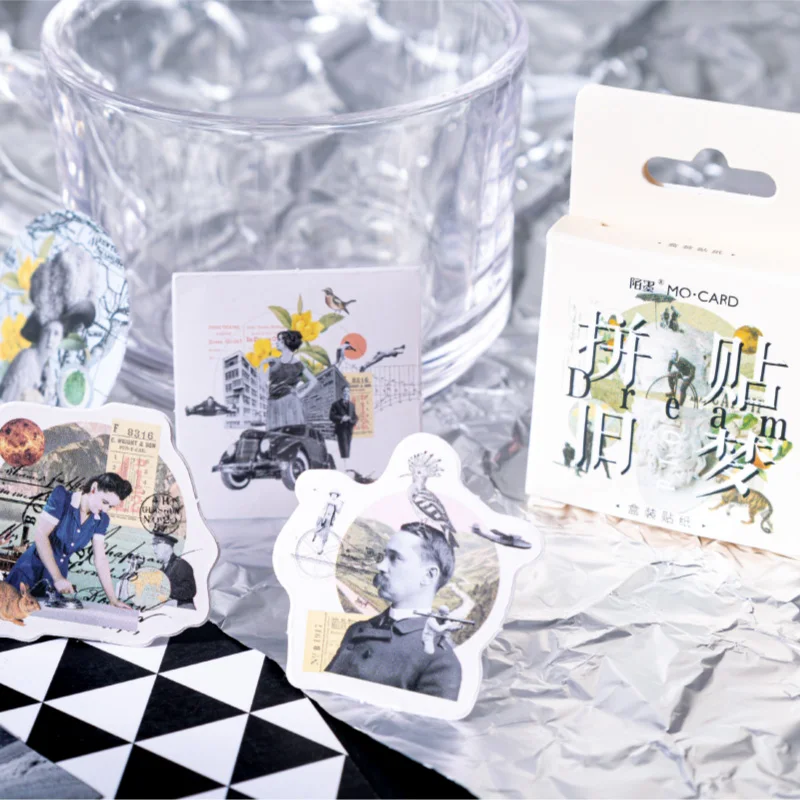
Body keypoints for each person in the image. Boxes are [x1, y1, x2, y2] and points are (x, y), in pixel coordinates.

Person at [325, 521, 462, 701]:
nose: (380, 566)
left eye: (395, 558)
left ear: (428, 576)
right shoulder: (357, 630)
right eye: (384, 556)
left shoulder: (440, 661)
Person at [6, 473, 132, 608]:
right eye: (105, 502)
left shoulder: (101, 520)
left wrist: (113, 600)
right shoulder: (62, 498)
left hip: (53, 585)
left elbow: (100, 559)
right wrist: (58, 577)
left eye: (110, 506)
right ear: (94, 488)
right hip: (27, 574)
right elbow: (41, 536)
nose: (105, 509)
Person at [265, 330, 318, 430]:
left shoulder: (298, 365)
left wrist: (301, 394)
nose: (276, 342)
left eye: (280, 340)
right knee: (274, 434)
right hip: (273, 403)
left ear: (287, 342)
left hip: (289, 403)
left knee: (290, 433)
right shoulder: (273, 361)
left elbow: (313, 381)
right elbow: (265, 380)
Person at [151, 532, 196, 608]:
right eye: (153, 545)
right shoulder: (161, 570)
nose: (153, 548)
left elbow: (190, 591)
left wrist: (165, 590)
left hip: (182, 609)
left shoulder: (181, 565)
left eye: (156, 544)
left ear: (167, 546)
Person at [329, 386, 358, 469]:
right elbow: (331, 416)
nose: (346, 393)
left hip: (349, 430)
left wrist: (351, 421)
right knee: (343, 448)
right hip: (341, 430)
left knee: (347, 447)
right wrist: (342, 418)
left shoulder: (352, 405)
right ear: (342, 393)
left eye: (348, 391)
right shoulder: (336, 404)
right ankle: (345, 467)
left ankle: (346, 466)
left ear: (349, 393)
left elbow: (355, 417)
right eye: (344, 391)